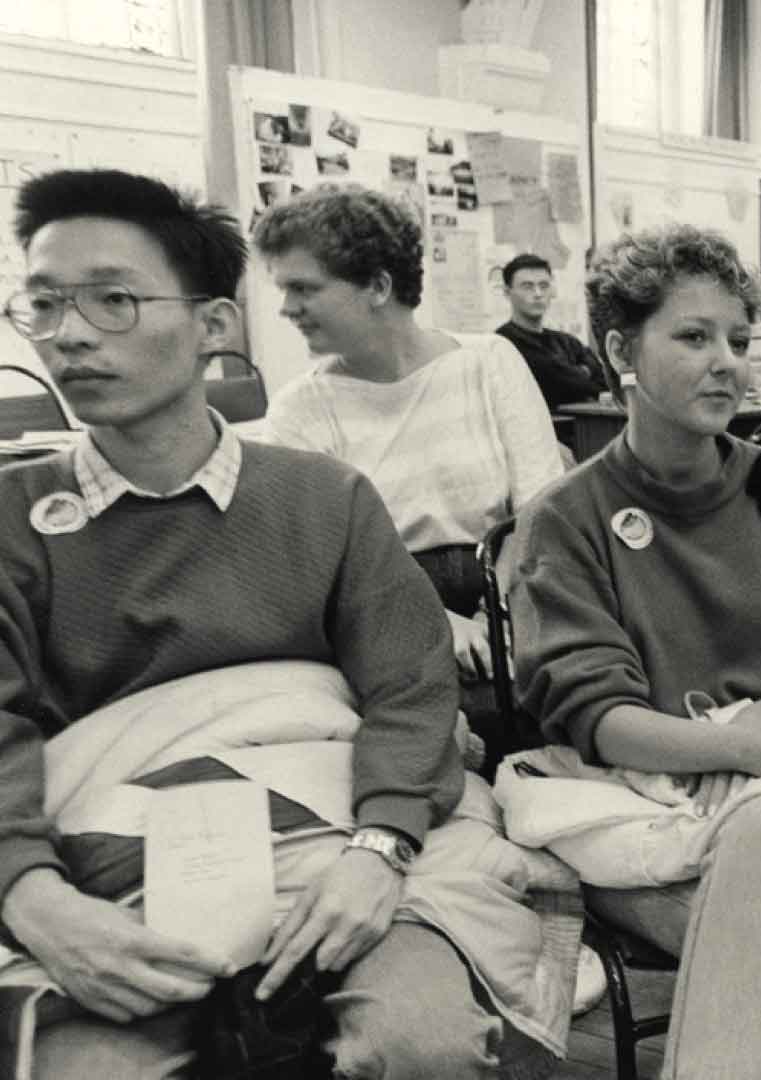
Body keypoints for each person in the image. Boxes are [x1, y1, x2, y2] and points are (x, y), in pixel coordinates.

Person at [0, 168, 571, 1078]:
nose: (69, 334)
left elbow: (410, 686)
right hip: (103, 869)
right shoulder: (11, 522)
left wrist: (381, 847)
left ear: (214, 326)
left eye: (112, 300)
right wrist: (28, 893)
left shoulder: (324, 500)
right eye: (43, 304)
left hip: (343, 836)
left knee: (420, 1045)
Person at [509, 225, 761, 1080]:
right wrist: (752, 748)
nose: (728, 362)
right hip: (628, 818)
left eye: (740, 340)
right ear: (620, 350)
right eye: (693, 336)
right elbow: (600, 718)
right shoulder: (566, 518)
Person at [254, 185, 567, 747]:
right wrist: (434, 622)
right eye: (284, 290)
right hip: (377, 616)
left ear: (377, 285)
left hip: (510, 590)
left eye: (303, 288)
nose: (286, 309)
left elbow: (542, 514)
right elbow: (319, 566)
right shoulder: (300, 409)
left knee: (547, 706)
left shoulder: (489, 362)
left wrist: (499, 618)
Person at [495, 252, 606, 410]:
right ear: (507, 292)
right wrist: (584, 372)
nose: (538, 294)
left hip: (581, 430)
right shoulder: (503, 342)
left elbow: (605, 380)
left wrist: (576, 375)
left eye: (544, 285)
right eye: (527, 286)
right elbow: (556, 383)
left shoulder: (567, 341)